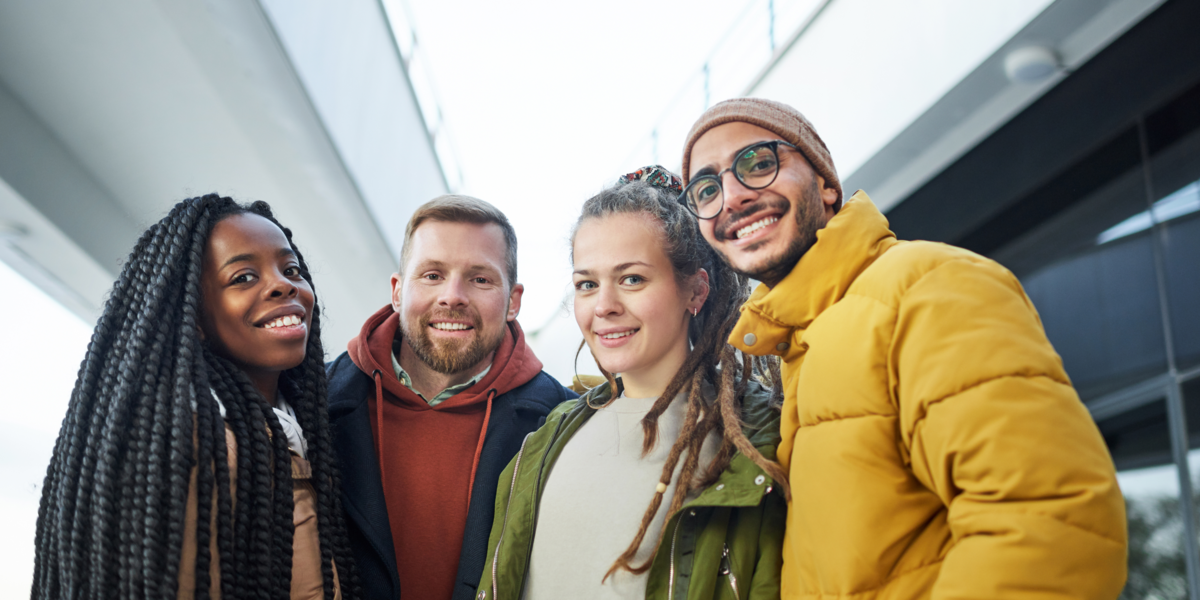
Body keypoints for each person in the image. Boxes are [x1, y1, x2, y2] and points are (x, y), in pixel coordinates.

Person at [677, 97, 1128, 599]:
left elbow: (1052, 530)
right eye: (707, 188)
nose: (733, 197)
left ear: (826, 185)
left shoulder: (928, 287)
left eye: (758, 163)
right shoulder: (801, 348)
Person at [478, 167, 788, 600]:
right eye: (587, 284)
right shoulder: (547, 437)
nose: (603, 306)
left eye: (632, 279)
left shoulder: (759, 438)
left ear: (696, 291)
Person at [32, 195, 355, 599]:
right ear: (195, 318)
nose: (283, 284)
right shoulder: (193, 446)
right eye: (243, 277)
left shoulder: (301, 433)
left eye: (290, 269)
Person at [325, 195, 575, 600]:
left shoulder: (560, 423)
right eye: (432, 275)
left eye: (480, 279)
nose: (453, 296)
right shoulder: (315, 406)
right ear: (397, 290)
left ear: (513, 301)